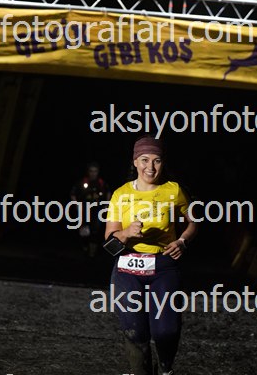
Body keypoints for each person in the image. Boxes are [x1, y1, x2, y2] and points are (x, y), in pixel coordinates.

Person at [105, 135, 198, 375]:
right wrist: (126, 233)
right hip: (128, 266)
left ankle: (166, 368)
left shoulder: (173, 190)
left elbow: (194, 222)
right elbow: (109, 243)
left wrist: (182, 241)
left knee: (165, 331)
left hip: (163, 266)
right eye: (145, 160)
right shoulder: (120, 194)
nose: (151, 167)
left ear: (163, 163)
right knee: (135, 330)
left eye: (157, 160)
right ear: (135, 162)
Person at [70, 161, 111, 257]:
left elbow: (108, 192)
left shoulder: (101, 183)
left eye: (95, 171)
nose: (93, 173)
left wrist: (106, 204)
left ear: (98, 172)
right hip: (84, 209)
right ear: (88, 171)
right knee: (84, 231)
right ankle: (84, 248)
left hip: (98, 210)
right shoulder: (82, 182)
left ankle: (92, 253)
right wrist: (76, 204)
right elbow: (73, 193)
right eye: (91, 171)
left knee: (96, 230)